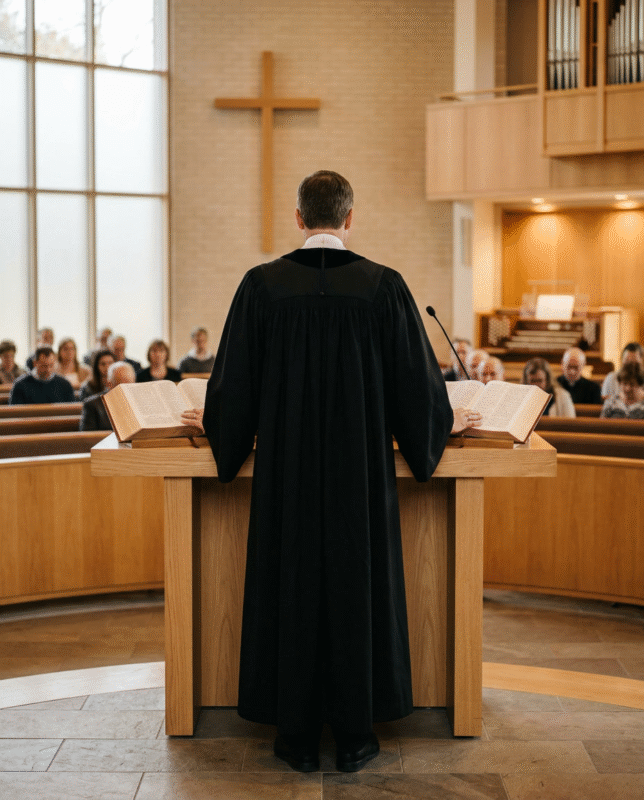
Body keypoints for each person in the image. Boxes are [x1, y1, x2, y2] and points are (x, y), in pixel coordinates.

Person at [182, 170, 480, 774]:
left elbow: (233, 388)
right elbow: (417, 395)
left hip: (286, 481)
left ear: (298, 218)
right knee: (354, 589)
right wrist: (444, 422)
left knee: (290, 585)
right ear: (349, 218)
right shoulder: (384, 288)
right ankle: (354, 737)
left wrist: (213, 424)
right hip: (360, 482)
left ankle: (293, 737)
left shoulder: (261, 288)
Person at [80, 361, 136, 431]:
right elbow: (88, 437)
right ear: (110, 384)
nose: (127, 389)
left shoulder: (139, 402)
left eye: (130, 383)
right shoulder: (92, 405)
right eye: (122, 385)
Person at [10, 346, 75, 404]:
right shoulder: (20, 385)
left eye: (51, 365)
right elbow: (15, 413)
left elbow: (72, 411)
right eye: (44, 366)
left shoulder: (65, 385)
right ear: (35, 363)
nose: (48, 370)